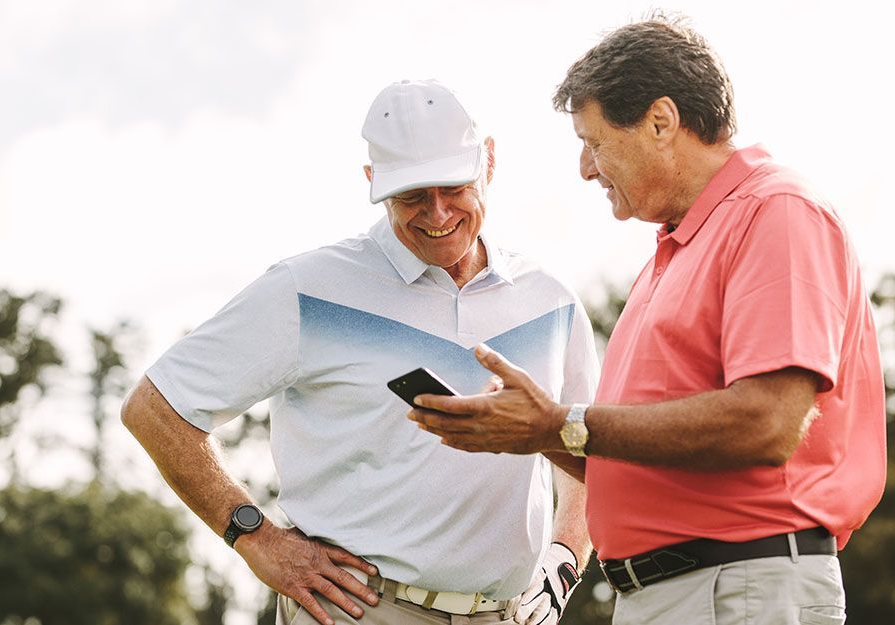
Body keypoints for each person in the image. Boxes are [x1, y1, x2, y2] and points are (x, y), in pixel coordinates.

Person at [408, 15, 886, 625]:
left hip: (738, 589)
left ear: (661, 121)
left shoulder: (776, 211)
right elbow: (636, 453)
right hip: (673, 595)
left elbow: (767, 422)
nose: (586, 167)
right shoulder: (672, 250)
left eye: (596, 140)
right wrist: (537, 430)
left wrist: (563, 421)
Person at [122, 79, 600, 625]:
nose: (438, 213)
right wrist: (255, 538)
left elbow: (587, 453)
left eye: (453, 188)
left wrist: (565, 558)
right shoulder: (308, 287)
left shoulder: (551, 302)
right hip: (358, 610)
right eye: (412, 196)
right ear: (374, 182)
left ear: (488, 162)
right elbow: (155, 409)